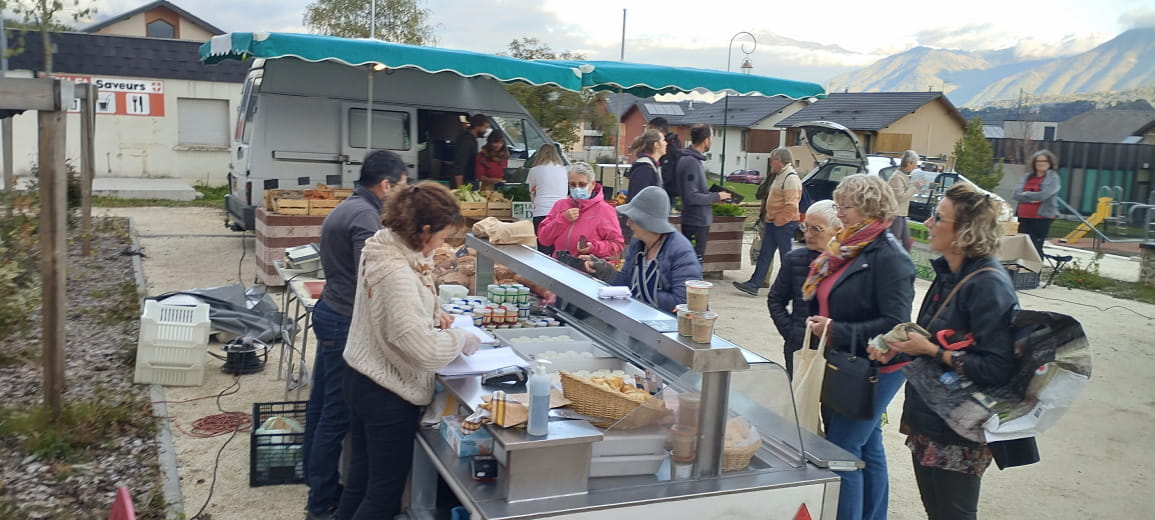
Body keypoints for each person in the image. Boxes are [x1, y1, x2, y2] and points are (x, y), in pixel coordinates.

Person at [871, 182, 1022, 520]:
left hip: (960, 430)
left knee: (954, 515)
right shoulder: (948, 274)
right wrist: (898, 350)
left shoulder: (989, 284)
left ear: (964, 232)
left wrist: (933, 351)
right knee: (937, 513)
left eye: (938, 218)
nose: (927, 222)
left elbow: (999, 367)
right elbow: (930, 339)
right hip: (931, 417)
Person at [337, 182, 481, 519]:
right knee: (383, 496)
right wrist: (461, 340)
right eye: (442, 236)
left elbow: (391, 314)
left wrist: (431, 313)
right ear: (425, 230)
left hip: (360, 375)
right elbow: (422, 350)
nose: (442, 244)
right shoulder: (397, 272)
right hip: (387, 391)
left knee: (358, 481)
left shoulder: (385, 246)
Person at [803, 174, 915, 520]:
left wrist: (836, 330)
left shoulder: (890, 256)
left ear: (869, 208)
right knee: (867, 445)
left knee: (842, 449)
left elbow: (895, 324)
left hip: (876, 368)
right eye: (837, 205)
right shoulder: (848, 245)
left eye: (845, 206)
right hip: (847, 360)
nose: (839, 213)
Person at [302, 150, 406, 520]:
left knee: (320, 408)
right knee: (336, 414)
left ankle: (316, 482)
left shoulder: (349, 206)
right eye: (402, 185)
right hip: (344, 319)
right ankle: (323, 500)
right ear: (386, 184)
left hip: (331, 310)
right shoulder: (365, 216)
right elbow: (373, 277)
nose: (402, 194)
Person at [585, 186, 703, 312]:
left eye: (633, 218)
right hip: (640, 318)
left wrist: (636, 292)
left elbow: (685, 302)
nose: (628, 223)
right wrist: (603, 269)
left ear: (648, 222)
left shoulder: (681, 251)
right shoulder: (638, 243)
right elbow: (625, 283)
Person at [766, 200, 840, 378]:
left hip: (835, 351)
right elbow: (775, 299)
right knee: (798, 400)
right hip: (800, 347)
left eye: (816, 229)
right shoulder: (795, 259)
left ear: (837, 230)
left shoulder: (849, 263)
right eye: (806, 226)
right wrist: (791, 333)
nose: (808, 234)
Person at [734, 147, 802, 296]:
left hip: (783, 224)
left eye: (772, 160)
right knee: (765, 254)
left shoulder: (790, 178)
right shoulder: (780, 175)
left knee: (786, 257)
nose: (770, 163)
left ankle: (791, 288)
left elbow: (792, 205)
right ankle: (754, 284)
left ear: (778, 161)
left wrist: (779, 221)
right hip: (774, 223)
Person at [536, 162, 625, 260]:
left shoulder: (604, 210)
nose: (577, 188)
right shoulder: (560, 205)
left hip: (587, 269)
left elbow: (617, 244)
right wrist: (562, 219)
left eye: (582, 185)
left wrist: (594, 247)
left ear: (592, 184)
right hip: (559, 266)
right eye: (573, 185)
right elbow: (543, 239)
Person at [676, 123, 730, 261]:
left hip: (696, 220)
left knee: (692, 259)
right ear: (706, 140)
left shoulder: (691, 160)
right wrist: (717, 195)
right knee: (693, 261)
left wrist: (712, 198)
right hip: (695, 222)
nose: (712, 141)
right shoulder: (691, 162)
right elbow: (691, 197)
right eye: (711, 137)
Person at [1012, 149, 1061, 258]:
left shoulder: (1053, 177)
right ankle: (1020, 273)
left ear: (1050, 163)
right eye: (1038, 161)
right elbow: (1015, 195)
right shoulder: (1027, 176)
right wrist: (1032, 199)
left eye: (1044, 161)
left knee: (1035, 248)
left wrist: (1026, 194)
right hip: (1023, 217)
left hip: (1041, 218)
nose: (1041, 163)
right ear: (1034, 163)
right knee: (1022, 247)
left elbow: (1043, 195)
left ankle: (1034, 274)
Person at [526, 143, 568, 255]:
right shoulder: (563, 170)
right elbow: (565, 190)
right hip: (560, 211)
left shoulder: (534, 170)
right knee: (557, 246)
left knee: (543, 246)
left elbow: (531, 189)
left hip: (541, 210)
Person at [888, 150, 925, 252]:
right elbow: (901, 197)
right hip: (896, 214)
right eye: (914, 164)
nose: (915, 167)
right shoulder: (897, 178)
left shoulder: (902, 176)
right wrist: (915, 187)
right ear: (909, 163)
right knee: (896, 243)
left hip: (901, 213)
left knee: (906, 242)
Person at [624, 128, 667, 203]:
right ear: (656, 144)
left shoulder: (653, 167)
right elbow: (638, 200)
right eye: (663, 140)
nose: (666, 143)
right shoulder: (644, 169)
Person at [649, 117, 683, 208]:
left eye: (650, 130)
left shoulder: (670, 148)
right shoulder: (674, 144)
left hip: (666, 193)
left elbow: (666, 174)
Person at [452, 113, 490, 188]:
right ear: (477, 126)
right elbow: (459, 166)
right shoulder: (466, 141)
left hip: (468, 182)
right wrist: (460, 189)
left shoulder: (472, 140)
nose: (485, 131)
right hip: (463, 184)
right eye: (485, 128)